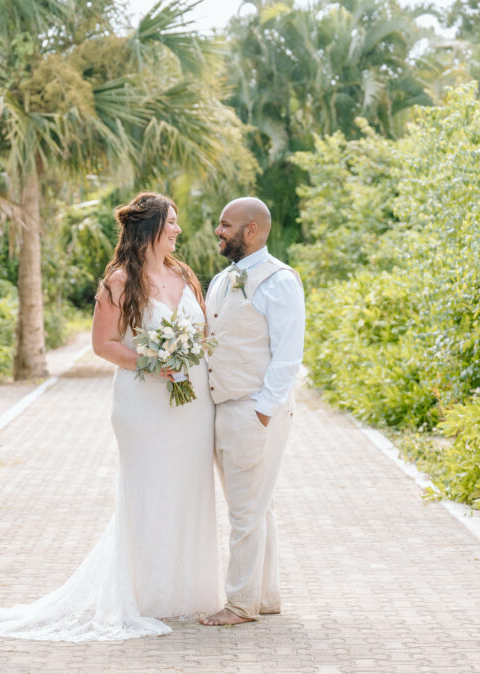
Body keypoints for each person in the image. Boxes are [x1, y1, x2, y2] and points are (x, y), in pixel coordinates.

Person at [0, 192, 222, 642]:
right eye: (171, 222)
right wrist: (154, 363)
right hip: (142, 404)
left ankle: (184, 592)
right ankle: (144, 594)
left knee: (189, 489)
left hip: (192, 403)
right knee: (148, 491)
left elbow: (203, 330)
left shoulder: (183, 274)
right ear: (150, 227)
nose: (178, 230)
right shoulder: (119, 281)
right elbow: (104, 345)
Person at [199, 196, 305, 627]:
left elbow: (288, 353)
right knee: (259, 507)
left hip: (254, 411)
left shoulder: (279, 280)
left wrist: (262, 412)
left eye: (226, 225)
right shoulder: (222, 280)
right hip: (226, 408)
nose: (218, 232)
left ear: (252, 230)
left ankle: (240, 604)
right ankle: (265, 597)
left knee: (244, 511)